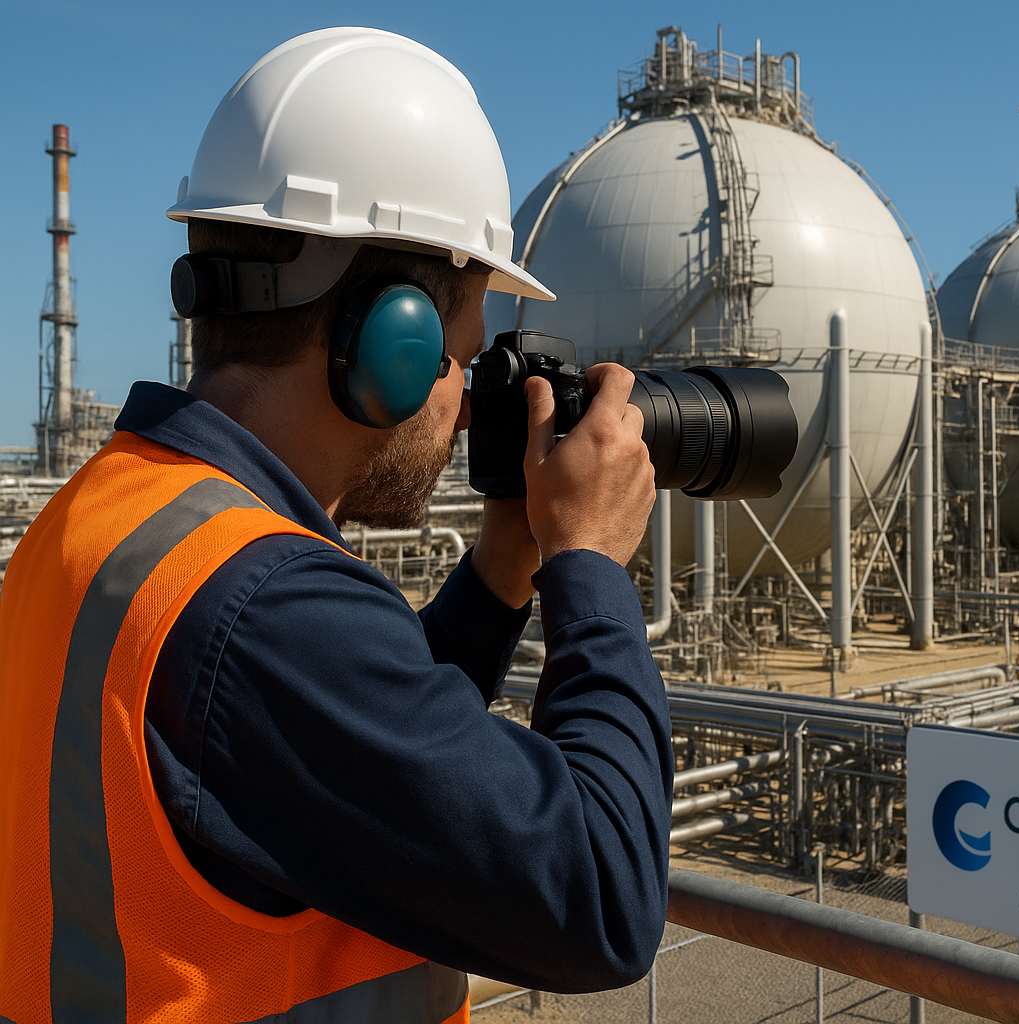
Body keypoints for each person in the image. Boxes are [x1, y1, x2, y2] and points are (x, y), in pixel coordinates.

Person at [0, 28, 671, 1024]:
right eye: (460, 353)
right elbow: (603, 898)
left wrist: (499, 569)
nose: (461, 403)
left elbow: (373, 751)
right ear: (390, 339)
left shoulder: (106, 517)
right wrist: (589, 566)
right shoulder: (266, 605)